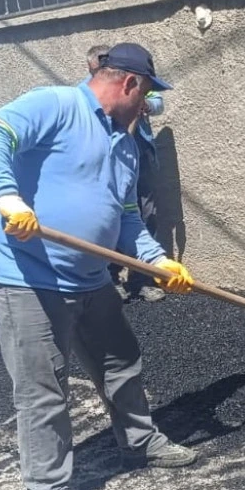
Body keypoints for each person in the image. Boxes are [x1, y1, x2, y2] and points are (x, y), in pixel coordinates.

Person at [0, 42, 199, 490]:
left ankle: (139, 442)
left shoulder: (127, 143)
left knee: (121, 363)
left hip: (91, 279)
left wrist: (159, 262)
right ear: (130, 84)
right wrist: (10, 200)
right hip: (28, 278)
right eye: (147, 96)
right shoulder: (55, 104)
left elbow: (128, 218)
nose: (147, 107)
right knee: (43, 389)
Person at [87, 44, 167, 302]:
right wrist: (7, 195)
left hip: (138, 154)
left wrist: (159, 261)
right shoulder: (79, 101)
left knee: (143, 213)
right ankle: (109, 277)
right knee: (110, 217)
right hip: (110, 161)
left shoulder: (137, 91)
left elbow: (157, 101)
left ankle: (142, 277)